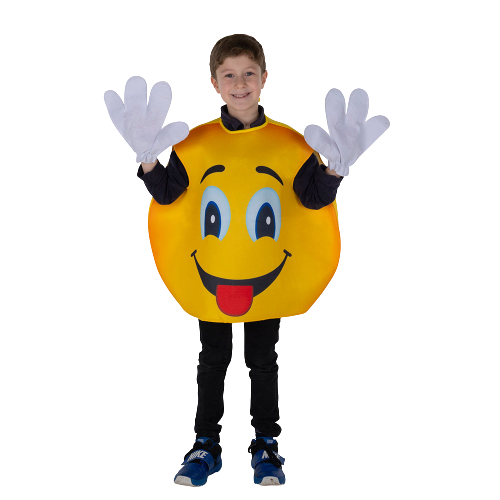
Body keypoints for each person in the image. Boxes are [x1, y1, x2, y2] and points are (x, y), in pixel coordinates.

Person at [104, 33, 388, 488]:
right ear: (215, 83)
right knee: (212, 360)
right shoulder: (195, 143)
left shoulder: (288, 143)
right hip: (214, 276)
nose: (240, 84)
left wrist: (335, 169)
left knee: (262, 361)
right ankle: (205, 445)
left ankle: (266, 445)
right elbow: (168, 194)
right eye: (230, 75)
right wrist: (149, 160)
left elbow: (312, 199)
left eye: (249, 74)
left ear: (264, 78)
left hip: (263, 279)